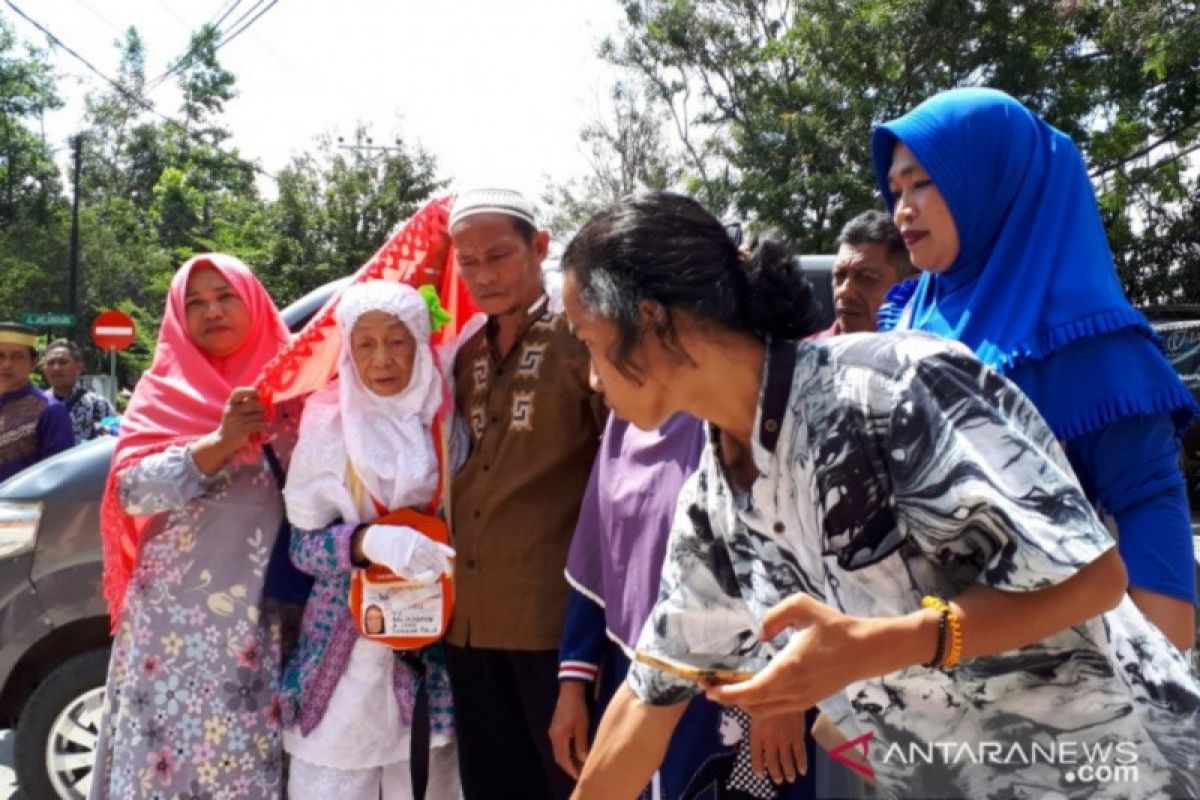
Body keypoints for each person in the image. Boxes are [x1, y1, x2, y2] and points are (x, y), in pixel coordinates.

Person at [557, 192, 1199, 799]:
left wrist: (884, 644)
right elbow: (648, 697)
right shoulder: (716, 502)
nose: (589, 375)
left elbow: (1094, 578)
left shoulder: (893, 388)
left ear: (650, 318)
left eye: (589, 340)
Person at [871, 87, 1200, 651]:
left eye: (923, 183)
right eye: (896, 188)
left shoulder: (1086, 344)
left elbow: (1149, 507)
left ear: (992, 183)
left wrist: (1159, 703)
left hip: (1044, 681)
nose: (902, 208)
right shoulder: (907, 319)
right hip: (904, 667)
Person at [90, 254, 300, 799]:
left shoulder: (299, 389)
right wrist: (218, 443)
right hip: (173, 628)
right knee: (165, 764)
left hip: (264, 619)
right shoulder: (164, 392)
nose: (212, 311)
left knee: (248, 759)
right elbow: (130, 492)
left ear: (252, 300)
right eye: (196, 303)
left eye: (225, 295)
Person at [551, 412, 821, 799]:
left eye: (597, 351)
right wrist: (573, 684)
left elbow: (795, 556)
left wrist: (782, 696)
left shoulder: (750, 417)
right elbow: (598, 550)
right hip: (640, 677)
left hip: (740, 691)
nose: (593, 378)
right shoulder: (624, 422)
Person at [446, 188, 607, 799]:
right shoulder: (464, 355)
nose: (483, 275)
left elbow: (619, 472)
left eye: (499, 255)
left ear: (539, 246)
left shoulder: (583, 337)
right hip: (468, 623)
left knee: (568, 784)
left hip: (553, 626)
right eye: (468, 262)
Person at [281, 281, 459, 800]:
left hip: (434, 645)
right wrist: (367, 544)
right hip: (345, 651)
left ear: (421, 343)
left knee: (429, 778)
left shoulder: (447, 418)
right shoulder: (330, 423)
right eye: (365, 344)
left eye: (397, 341)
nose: (382, 359)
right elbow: (302, 546)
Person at [810, 211, 915, 338]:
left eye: (866, 278)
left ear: (908, 285)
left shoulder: (930, 352)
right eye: (840, 275)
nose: (845, 291)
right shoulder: (807, 354)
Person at [0, 322, 74, 481]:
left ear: (33, 362)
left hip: (22, 504)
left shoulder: (50, 410)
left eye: (17, 356)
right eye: (1, 356)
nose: (7, 364)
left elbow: (60, 478)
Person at [41, 339, 118, 443]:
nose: (56, 368)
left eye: (63, 362)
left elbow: (112, 444)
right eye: (50, 363)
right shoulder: (36, 405)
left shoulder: (98, 405)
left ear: (79, 367)